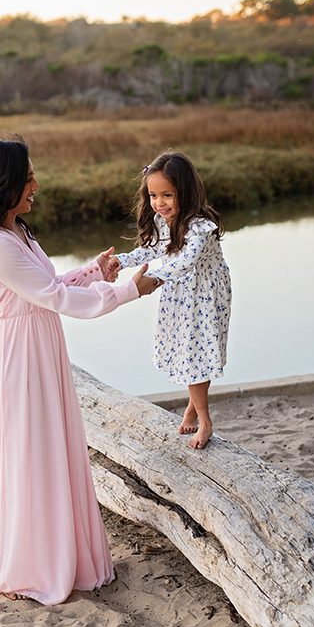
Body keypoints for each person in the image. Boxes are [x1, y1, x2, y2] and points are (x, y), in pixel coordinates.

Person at [0, 137, 160, 605]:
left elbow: (48, 285)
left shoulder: (19, 234)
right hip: (17, 359)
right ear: (3, 183)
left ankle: (57, 554)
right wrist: (128, 291)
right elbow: (55, 299)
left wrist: (94, 272)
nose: (36, 186)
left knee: (48, 447)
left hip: (38, 348)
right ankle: (31, 565)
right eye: (27, 178)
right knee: (29, 452)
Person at [111, 150, 232, 450]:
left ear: (186, 192)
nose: (159, 203)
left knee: (197, 355)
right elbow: (150, 250)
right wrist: (121, 261)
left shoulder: (200, 226)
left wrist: (157, 278)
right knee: (189, 351)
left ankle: (204, 420)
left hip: (204, 295)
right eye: (154, 195)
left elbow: (187, 261)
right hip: (180, 294)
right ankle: (193, 406)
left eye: (167, 195)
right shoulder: (163, 220)